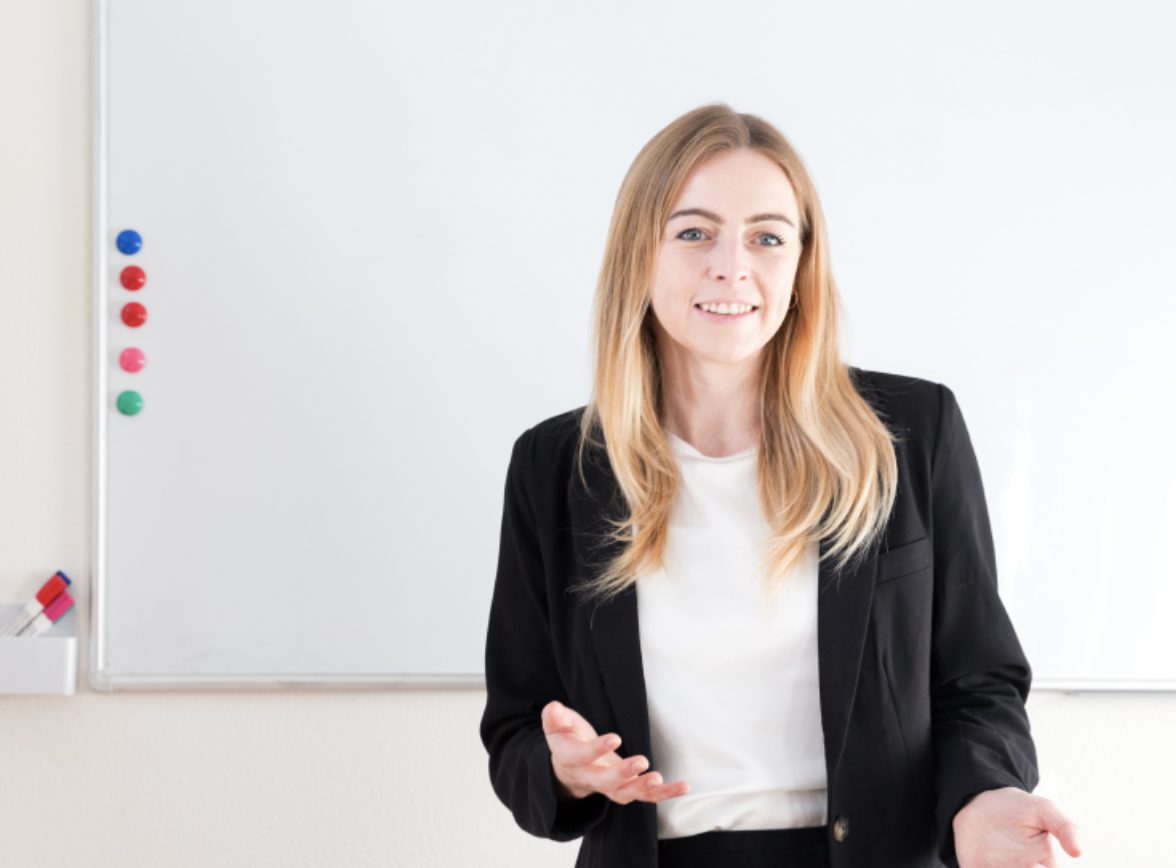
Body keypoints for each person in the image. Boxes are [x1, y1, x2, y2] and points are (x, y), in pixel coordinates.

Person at [479, 103, 1082, 868]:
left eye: (767, 237)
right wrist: (564, 770)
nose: (732, 266)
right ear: (639, 254)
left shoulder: (911, 432)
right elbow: (516, 733)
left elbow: (978, 680)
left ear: (801, 265)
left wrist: (987, 794)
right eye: (693, 233)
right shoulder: (556, 467)